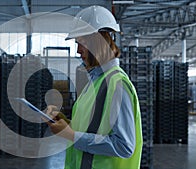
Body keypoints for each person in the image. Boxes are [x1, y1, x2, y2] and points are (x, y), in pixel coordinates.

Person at [45, 5, 143, 169]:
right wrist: (65, 123)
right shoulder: (95, 82)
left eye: (81, 43)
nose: (77, 50)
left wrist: (72, 135)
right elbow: (92, 129)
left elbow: (124, 146)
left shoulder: (117, 84)